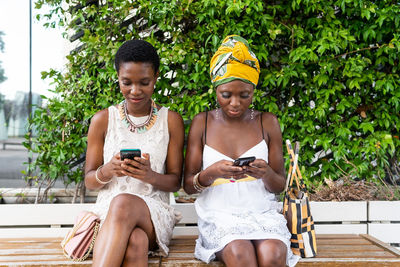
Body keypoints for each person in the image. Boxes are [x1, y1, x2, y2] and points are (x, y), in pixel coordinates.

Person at [183, 35, 300, 267]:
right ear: (216, 90)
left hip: (262, 213)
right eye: (226, 95)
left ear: (253, 91)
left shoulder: (267, 122)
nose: (235, 103)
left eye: (244, 95)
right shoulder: (202, 123)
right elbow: (188, 185)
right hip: (219, 216)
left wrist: (264, 172)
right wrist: (212, 173)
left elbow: (279, 185)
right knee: (240, 253)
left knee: (274, 254)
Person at [84, 39, 184, 267]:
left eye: (144, 82)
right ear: (117, 77)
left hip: (153, 213)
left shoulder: (171, 121)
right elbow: (90, 181)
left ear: (156, 76)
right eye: (126, 82)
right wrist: (108, 170)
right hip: (107, 215)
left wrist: (150, 176)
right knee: (136, 242)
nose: (135, 90)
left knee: (123, 203)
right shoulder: (102, 120)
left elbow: (175, 182)